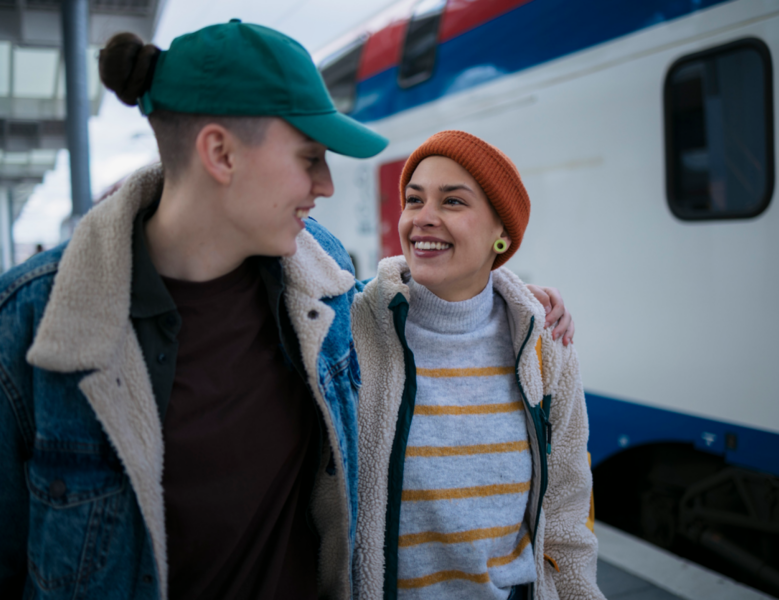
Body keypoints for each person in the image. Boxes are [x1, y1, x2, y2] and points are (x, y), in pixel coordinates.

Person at [0, 22, 574, 600]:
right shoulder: (30, 325)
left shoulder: (319, 282)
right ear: (220, 153)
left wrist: (516, 297)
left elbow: (442, 295)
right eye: (309, 157)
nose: (326, 183)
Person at [351, 131, 603, 600]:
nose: (423, 219)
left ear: (501, 234)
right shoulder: (355, 330)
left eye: (452, 202)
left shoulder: (544, 345)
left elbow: (567, 510)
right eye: (413, 199)